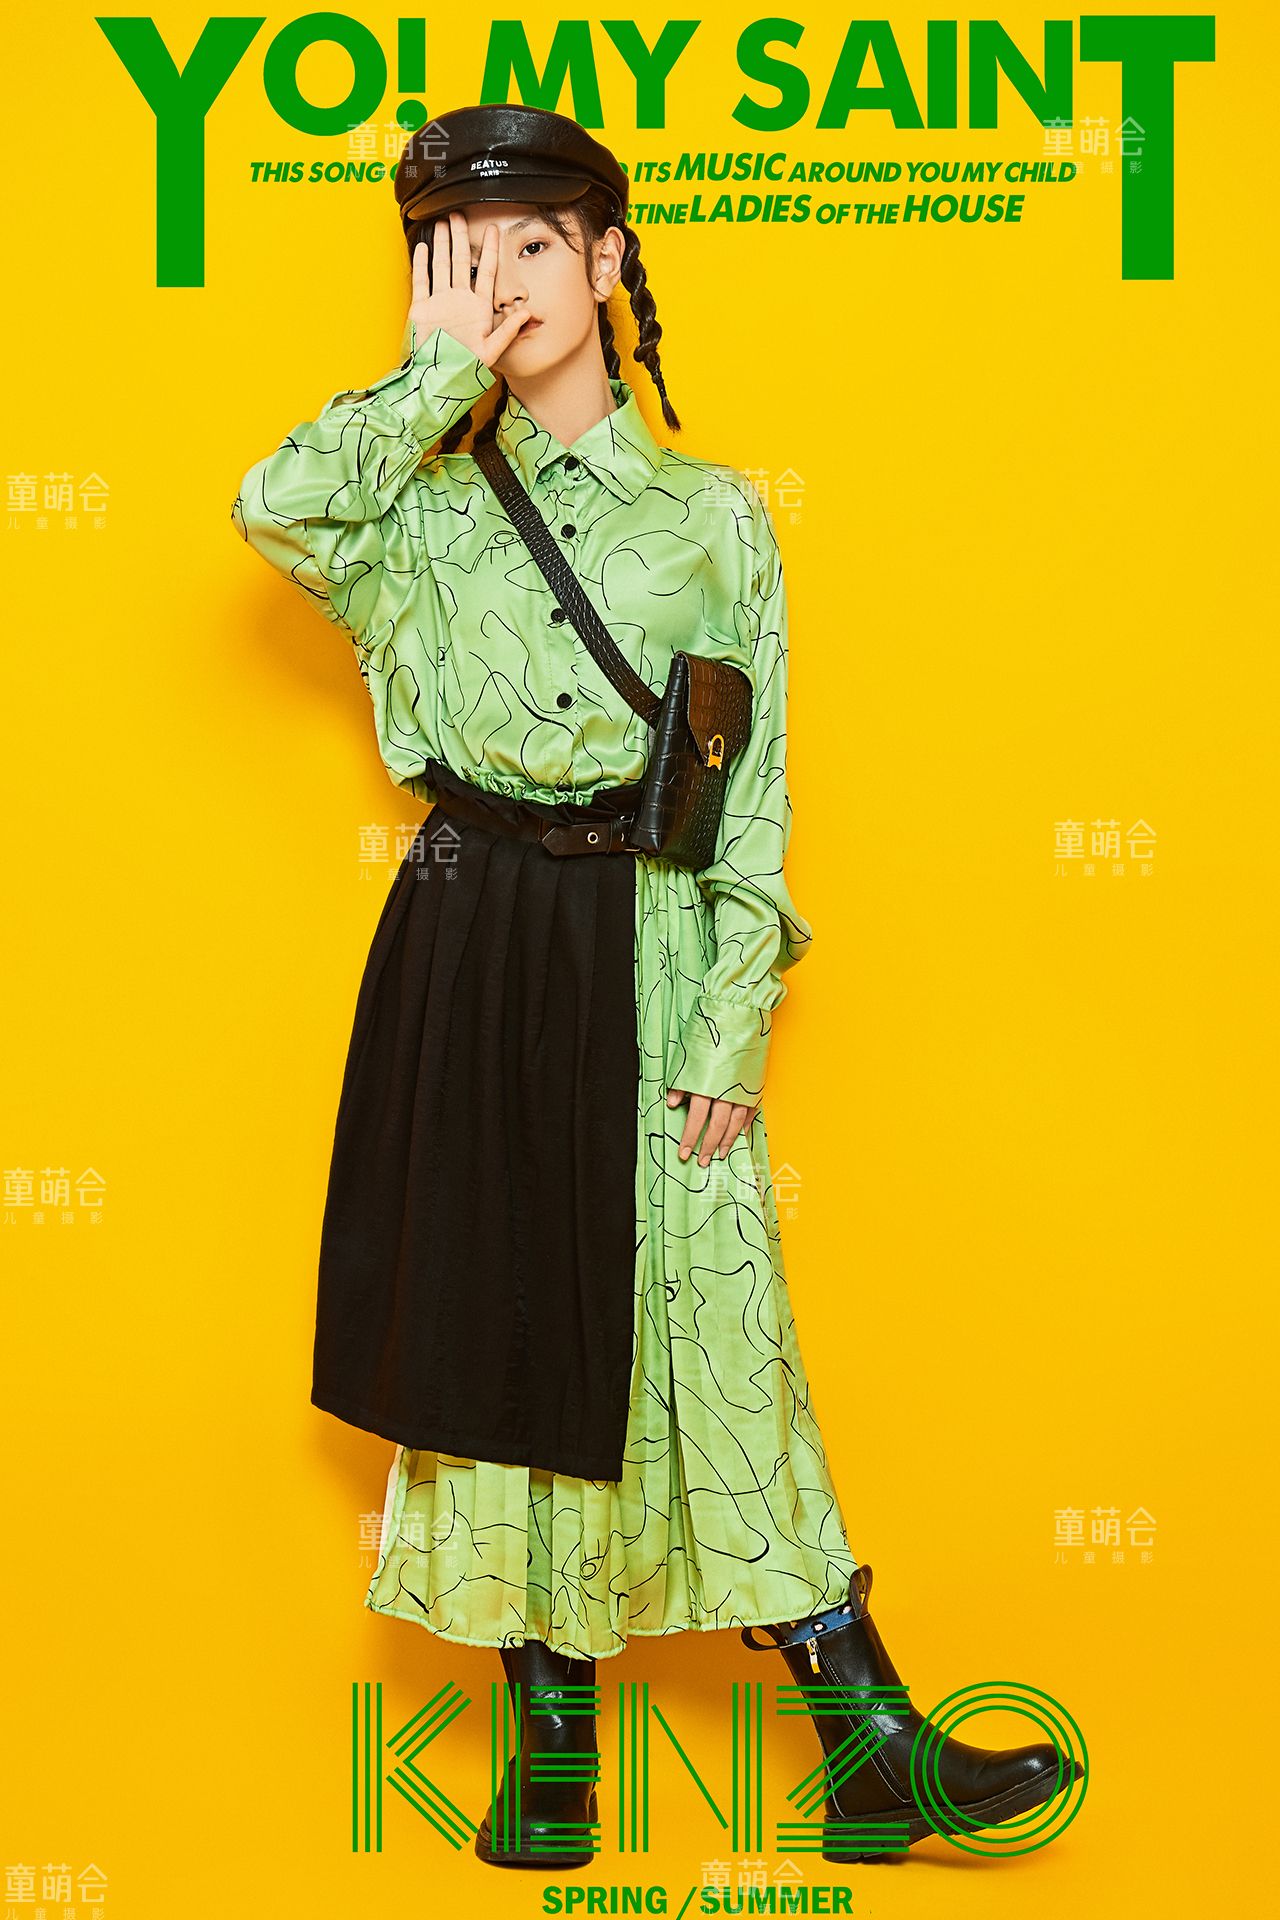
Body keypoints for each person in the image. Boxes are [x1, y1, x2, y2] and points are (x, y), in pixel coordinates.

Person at [232, 102, 1081, 1870]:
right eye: (458, 258)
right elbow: (270, 507)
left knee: (709, 1322)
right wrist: (430, 374)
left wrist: (731, 1021)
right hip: (470, 934)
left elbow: (749, 800)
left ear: (610, 258)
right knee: (500, 1324)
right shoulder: (413, 507)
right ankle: (551, 1761)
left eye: (536, 245)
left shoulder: (715, 517)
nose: (500, 284)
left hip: (656, 929)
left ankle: (865, 1740)